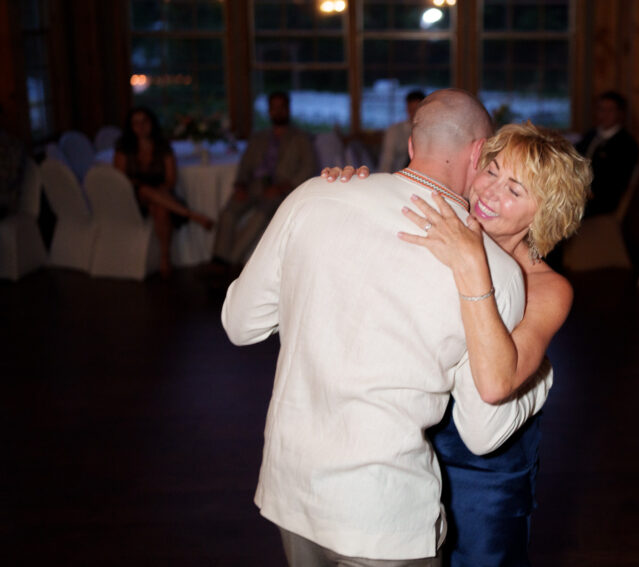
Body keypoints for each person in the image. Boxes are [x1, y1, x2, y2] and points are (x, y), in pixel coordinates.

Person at [221, 89, 551, 566]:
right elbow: (482, 432)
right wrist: (538, 378)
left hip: (292, 490)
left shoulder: (314, 195)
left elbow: (238, 324)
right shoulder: (491, 270)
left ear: (413, 143)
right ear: (478, 153)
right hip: (383, 513)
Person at [326, 121, 592, 565]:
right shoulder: (442, 228)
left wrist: (470, 264)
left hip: (484, 483)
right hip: (408, 460)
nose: (489, 192)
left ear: (544, 214)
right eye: (491, 171)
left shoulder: (548, 289)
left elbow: (494, 385)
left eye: (515, 189)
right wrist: (346, 190)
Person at [212, 91, 316, 267]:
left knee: (260, 216)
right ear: (269, 111)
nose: (278, 112)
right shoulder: (258, 137)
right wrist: (241, 185)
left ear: (288, 109)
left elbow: (309, 168)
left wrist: (283, 186)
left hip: (280, 190)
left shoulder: (301, 138)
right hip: (254, 186)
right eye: (274, 108)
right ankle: (219, 259)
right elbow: (245, 165)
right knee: (228, 213)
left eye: (282, 107)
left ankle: (229, 262)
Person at [113, 106, 214, 277]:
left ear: (151, 123)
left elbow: (170, 180)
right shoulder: (124, 148)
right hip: (132, 198)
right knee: (144, 190)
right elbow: (120, 181)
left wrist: (161, 191)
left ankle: (164, 258)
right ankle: (190, 215)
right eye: (136, 123)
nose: (140, 127)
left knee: (160, 207)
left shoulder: (162, 147)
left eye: (144, 122)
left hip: (160, 195)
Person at [574, 91, 639, 218]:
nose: (604, 115)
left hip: (601, 199)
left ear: (620, 114)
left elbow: (616, 181)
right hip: (579, 190)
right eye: (601, 109)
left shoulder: (626, 144)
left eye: (610, 110)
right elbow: (575, 154)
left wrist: (587, 191)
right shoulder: (592, 134)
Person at [377, 90, 426, 173]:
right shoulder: (394, 131)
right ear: (407, 108)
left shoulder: (429, 132)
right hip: (397, 175)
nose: (414, 113)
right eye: (411, 110)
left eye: (417, 110)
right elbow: (387, 160)